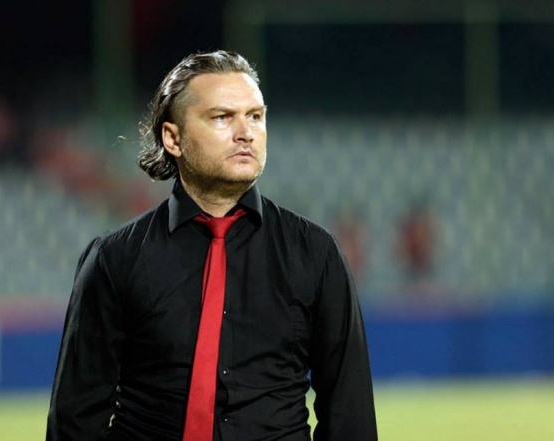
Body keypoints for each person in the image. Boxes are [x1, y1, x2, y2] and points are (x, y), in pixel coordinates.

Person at [46, 50, 377, 441]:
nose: (245, 132)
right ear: (173, 138)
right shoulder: (114, 259)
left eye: (255, 116)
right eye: (222, 117)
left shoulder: (316, 254)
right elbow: (76, 420)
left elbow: (350, 416)